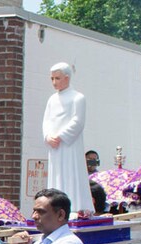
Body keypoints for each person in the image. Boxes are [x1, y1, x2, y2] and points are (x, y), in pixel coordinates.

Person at [43, 63, 91, 217]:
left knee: (71, 173)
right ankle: (54, 204)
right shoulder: (52, 99)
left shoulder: (78, 97)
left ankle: (75, 205)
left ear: (67, 78)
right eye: (52, 78)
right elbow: (46, 121)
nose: (54, 82)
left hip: (69, 145)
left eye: (57, 78)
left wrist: (61, 135)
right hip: (55, 146)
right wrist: (48, 136)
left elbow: (78, 121)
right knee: (56, 173)